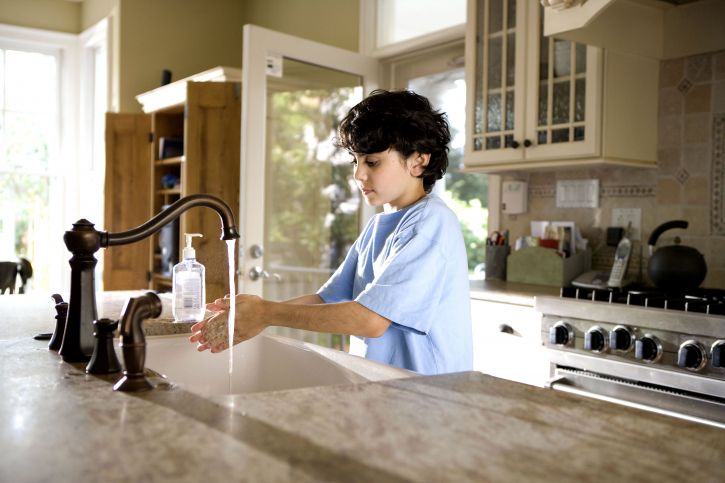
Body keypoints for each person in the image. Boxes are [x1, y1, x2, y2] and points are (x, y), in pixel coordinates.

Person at [189, 89, 473, 375]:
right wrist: (253, 316)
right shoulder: (379, 225)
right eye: (355, 161)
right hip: (385, 386)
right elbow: (327, 299)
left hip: (427, 397)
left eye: (372, 162)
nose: (358, 174)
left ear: (418, 161)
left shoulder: (430, 224)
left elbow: (370, 320)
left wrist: (265, 312)